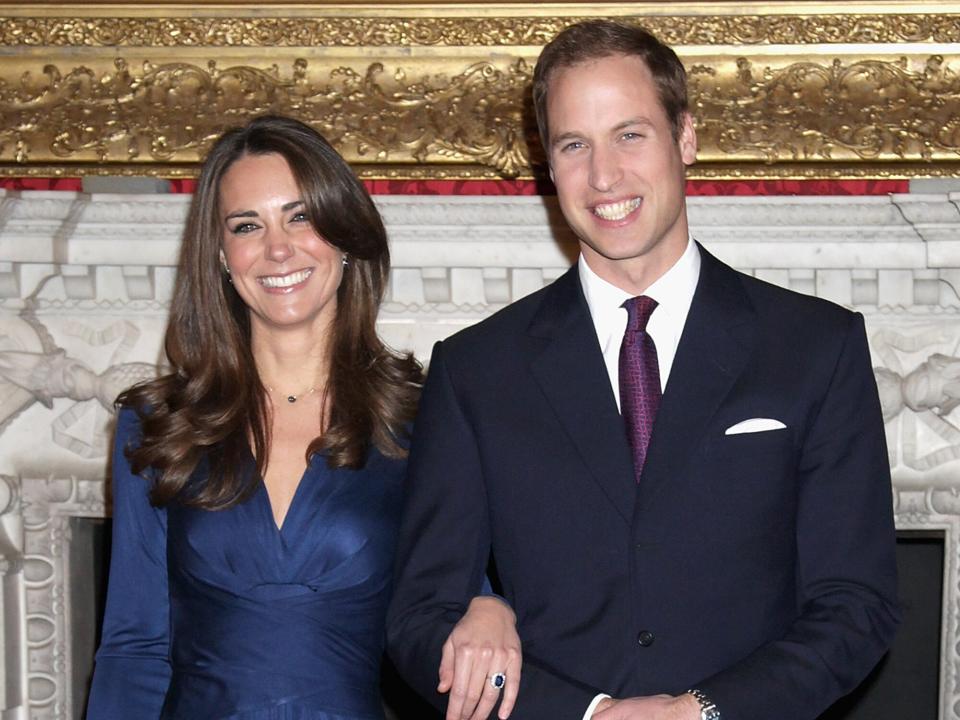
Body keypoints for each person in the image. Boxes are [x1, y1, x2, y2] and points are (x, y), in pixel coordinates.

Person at [386, 20, 900, 720]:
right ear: (548, 164)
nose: (604, 177)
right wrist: (586, 712)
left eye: (630, 134)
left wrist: (700, 711)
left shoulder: (816, 348)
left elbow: (857, 606)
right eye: (575, 145)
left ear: (685, 137)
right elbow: (419, 621)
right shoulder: (476, 370)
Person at [86, 114, 520, 720]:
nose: (278, 248)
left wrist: (493, 606)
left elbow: (452, 592)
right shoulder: (158, 423)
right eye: (247, 225)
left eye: (300, 215)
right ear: (220, 254)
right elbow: (134, 647)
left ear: (343, 233)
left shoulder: (423, 418)